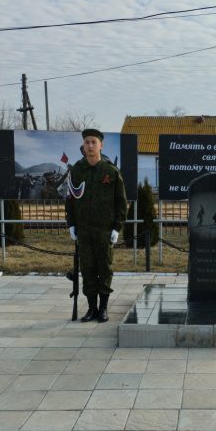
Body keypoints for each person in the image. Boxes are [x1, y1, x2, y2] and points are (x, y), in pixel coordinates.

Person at [66, 128, 127, 323]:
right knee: (88, 269)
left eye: (94, 142)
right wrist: (71, 224)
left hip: (104, 230)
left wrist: (117, 227)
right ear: (83, 146)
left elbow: (121, 202)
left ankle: (103, 308)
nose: (90, 145)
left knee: (105, 268)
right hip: (84, 230)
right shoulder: (77, 170)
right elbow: (70, 200)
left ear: (101, 145)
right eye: (87, 142)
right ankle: (91, 308)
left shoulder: (110, 171)